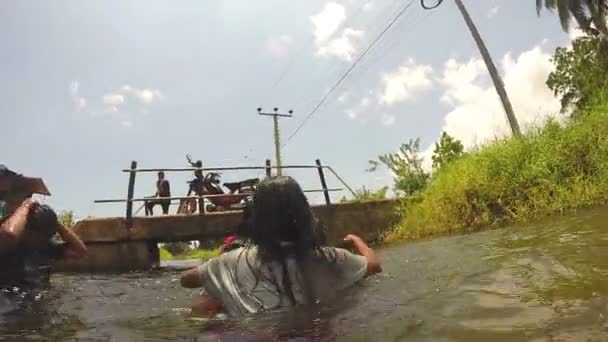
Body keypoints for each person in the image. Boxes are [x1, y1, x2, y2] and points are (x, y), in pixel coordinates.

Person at [180, 176, 382, 318]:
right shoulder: (332, 258)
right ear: (305, 214)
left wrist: (222, 287)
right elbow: (374, 266)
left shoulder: (230, 262)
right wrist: (357, 240)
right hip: (317, 330)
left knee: (204, 301)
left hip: (250, 331)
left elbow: (186, 279)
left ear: (257, 220)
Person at [0, 166, 87, 292]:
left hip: (34, 301)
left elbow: (80, 251)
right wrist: (25, 206)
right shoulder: (7, 240)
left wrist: (54, 222)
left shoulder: (43, 246)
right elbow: (9, 234)